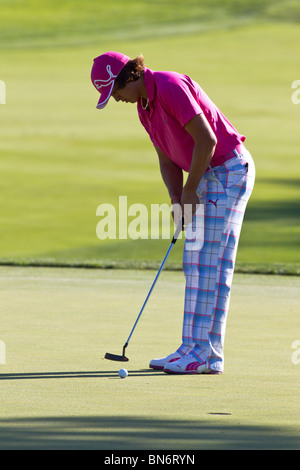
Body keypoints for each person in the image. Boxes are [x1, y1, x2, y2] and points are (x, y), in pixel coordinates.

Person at [91, 51, 255, 375]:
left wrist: (191, 190)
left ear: (129, 77)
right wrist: (177, 198)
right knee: (204, 262)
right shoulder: (144, 109)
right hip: (208, 174)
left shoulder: (168, 85)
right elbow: (166, 157)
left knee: (204, 258)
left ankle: (199, 352)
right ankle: (202, 352)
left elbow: (206, 140)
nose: (117, 99)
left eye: (116, 91)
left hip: (227, 170)